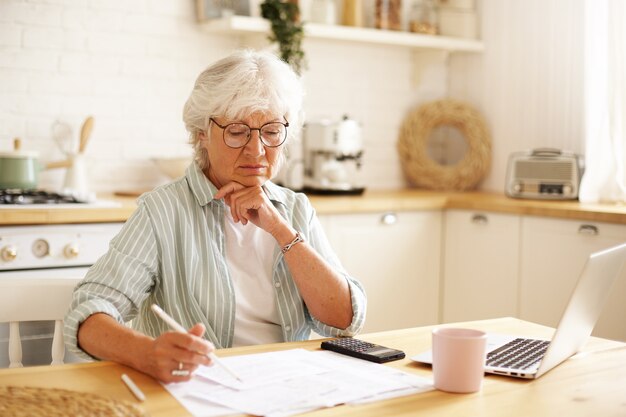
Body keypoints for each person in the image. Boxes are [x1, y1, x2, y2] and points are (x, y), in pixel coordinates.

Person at [64, 49, 367, 383]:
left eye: (270, 131)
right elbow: (88, 314)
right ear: (201, 134)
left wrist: (281, 231)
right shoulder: (163, 211)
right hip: (200, 391)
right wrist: (147, 354)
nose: (256, 150)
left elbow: (344, 319)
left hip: (286, 388)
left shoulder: (295, 209)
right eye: (237, 132)